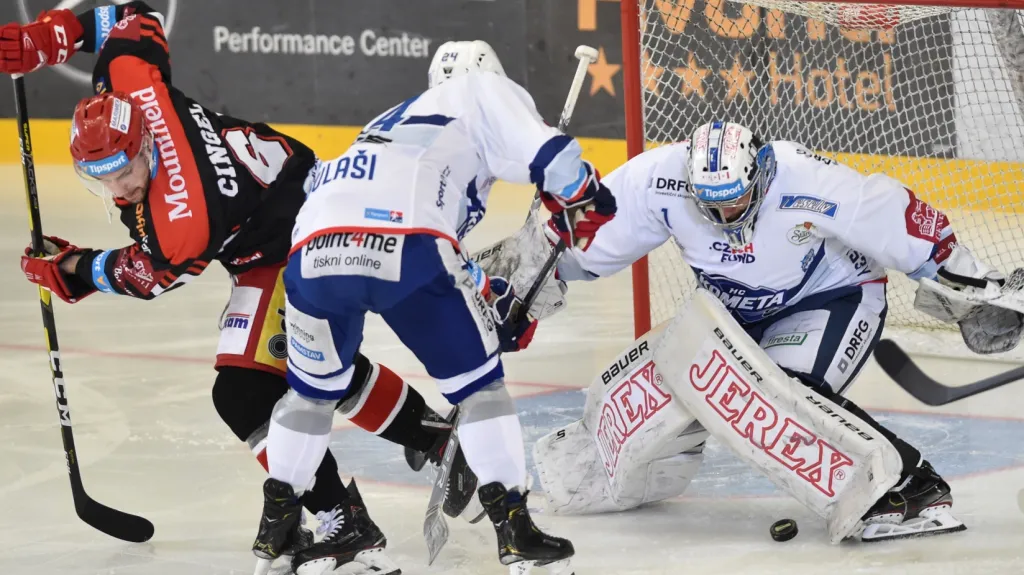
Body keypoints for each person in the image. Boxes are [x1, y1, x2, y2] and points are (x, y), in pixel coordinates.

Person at [4, 4, 456, 572]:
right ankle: (433, 436)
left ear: (145, 148)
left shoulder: (183, 218)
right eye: (99, 176)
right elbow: (133, 19)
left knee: (244, 391)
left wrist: (78, 271)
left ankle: (346, 520)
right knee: (300, 363)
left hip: (297, 237)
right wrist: (51, 38)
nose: (116, 187)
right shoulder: (130, 85)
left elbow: (155, 275)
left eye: (123, 170)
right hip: (272, 219)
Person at [542, 120, 1022, 541]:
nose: (725, 218)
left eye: (735, 203)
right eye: (712, 206)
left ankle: (909, 486)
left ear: (761, 173)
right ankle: (615, 470)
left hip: (834, 297)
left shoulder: (806, 179)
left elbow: (895, 217)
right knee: (669, 387)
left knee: (782, 396)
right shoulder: (660, 179)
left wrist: (978, 289)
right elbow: (593, 230)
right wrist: (537, 272)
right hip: (729, 314)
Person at [250, 40, 616, 575]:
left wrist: (489, 296)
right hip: (409, 249)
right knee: (479, 389)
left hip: (312, 254)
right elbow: (553, 157)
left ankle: (277, 536)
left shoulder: (385, 125)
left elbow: (396, 218)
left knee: (309, 398)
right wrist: (582, 196)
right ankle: (516, 532)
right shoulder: (479, 88)